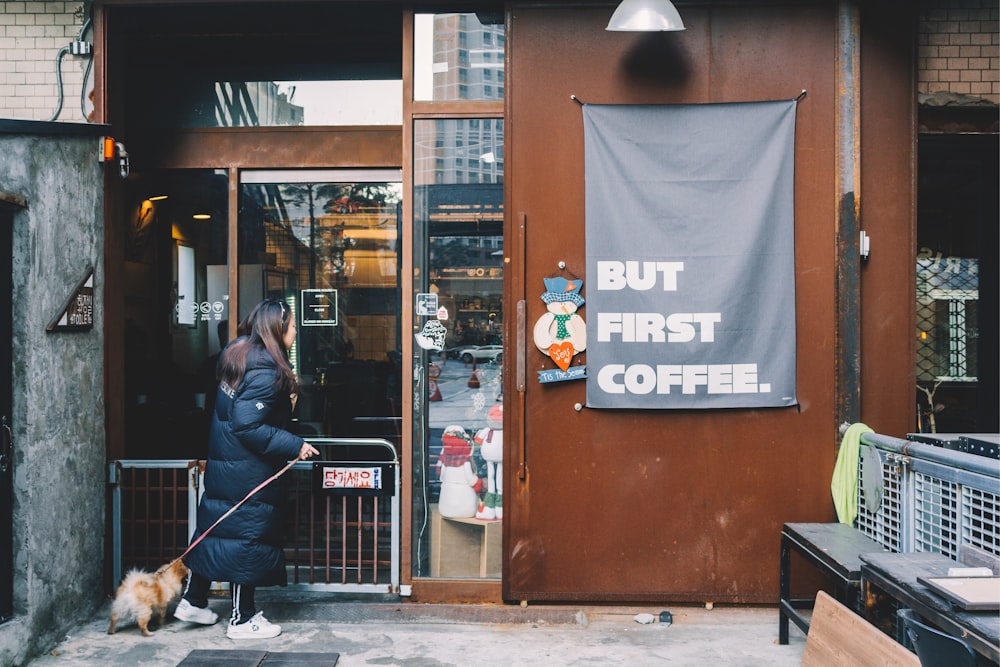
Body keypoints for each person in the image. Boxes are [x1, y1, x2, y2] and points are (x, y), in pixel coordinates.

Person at [176, 299, 319, 639]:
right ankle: (242, 619)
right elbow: (248, 425)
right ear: (276, 328)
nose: (296, 331)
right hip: (248, 470)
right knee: (247, 538)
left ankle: (193, 600)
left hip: (227, 463)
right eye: (292, 325)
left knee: (218, 530)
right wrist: (295, 445)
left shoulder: (239, 354)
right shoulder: (265, 369)